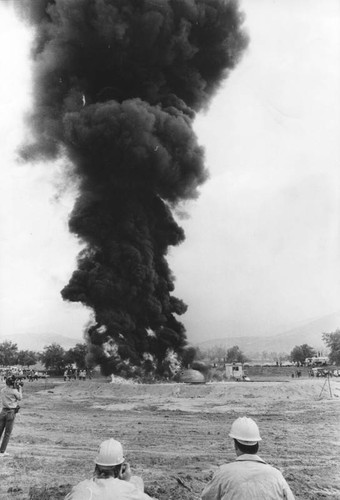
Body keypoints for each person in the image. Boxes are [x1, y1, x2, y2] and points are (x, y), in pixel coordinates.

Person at [201, 416, 295, 500]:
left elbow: (206, 498)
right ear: (257, 445)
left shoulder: (223, 473)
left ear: (236, 446)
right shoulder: (276, 475)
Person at [65, 438, 156, 499]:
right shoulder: (128, 490)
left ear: (96, 466)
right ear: (121, 467)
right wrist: (125, 483)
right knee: (138, 481)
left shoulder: (80, 488)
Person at [0, 375, 23, 457]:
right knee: (7, 433)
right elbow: (20, 397)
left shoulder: (2, 390)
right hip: (11, 412)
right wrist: (20, 388)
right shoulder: (14, 391)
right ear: (12, 383)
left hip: (3, 411)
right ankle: (2, 451)